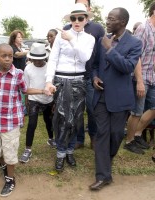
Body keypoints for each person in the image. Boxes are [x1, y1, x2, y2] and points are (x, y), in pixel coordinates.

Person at [0, 43, 51, 197]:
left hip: (11, 121)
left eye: (10, 56)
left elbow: (25, 90)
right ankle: (4, 168)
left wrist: (42, 90)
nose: (8, 59)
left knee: (10, 153)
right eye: (4, 56)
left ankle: (10, 179)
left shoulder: (18, 74)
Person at [89, 8, 142, 191]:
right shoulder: (100, 40)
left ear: (122, 22)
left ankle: (106, 160)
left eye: (111, 19)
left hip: (121, 98)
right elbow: (94, 65)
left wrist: (110, 49)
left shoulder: (135, 43)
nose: (107, 22)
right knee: (102, 134)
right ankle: (103, 176)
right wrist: (94, 78)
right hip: (101, 96)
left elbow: (127, 67)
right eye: (107, 18)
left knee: (116, 134)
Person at [45, 3, 95, 171]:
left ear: (86, 19)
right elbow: (52, 59)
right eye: (74, 18)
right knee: (61, 119)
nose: (77, 21)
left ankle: (69, 150)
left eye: (80, 18)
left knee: (77, 119)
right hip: (61, 79)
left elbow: (85, 58)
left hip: (79, 80)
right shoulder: (60, 36)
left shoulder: (90, 38)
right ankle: (60, 153)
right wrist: (48, 81)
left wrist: (72, 39)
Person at [63, 0, 105, 151]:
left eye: (84, 5)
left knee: (93, 109)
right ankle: (79, 138)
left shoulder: (98, 28)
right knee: (76, 110)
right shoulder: (66, 29)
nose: (77, 20)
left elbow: (100, 55)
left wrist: (96, 75)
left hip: (91, 76)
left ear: (89, 9)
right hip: (74, 77)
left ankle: (94, 137)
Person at [123, 2, 155, 155]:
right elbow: (135, 56)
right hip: (141, 77)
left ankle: (137, 134)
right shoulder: (143, 28)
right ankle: (129, 141)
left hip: (153, 76)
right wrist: (140, 81)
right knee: (136, 111)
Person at [19, 43, 55, 163]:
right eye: (35, 59)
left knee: (48, 122)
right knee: (32, 124)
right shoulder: (28, 68)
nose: (37, 62)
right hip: (34, 99)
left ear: (44, 57)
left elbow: (53, 84)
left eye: (40, 59)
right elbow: (26, 87)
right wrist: (26, 100)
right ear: (31, 58)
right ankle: (28, 149)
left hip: (48, 100)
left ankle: (51, 139)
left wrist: (54, 101)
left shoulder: (50, 67)